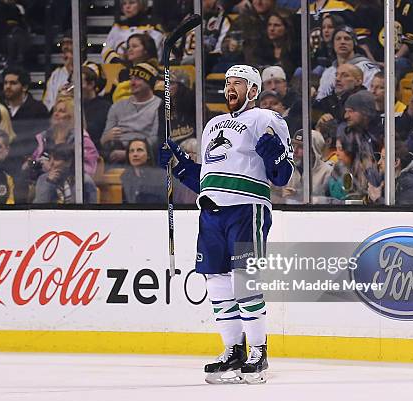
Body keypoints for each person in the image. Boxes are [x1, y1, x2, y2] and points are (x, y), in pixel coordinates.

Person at [159, 64, 294, 384]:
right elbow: (207, 179)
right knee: (216, 282)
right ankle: (233, 349)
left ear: (253, 90)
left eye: (238, 82)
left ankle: (258, 351)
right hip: (211, 212)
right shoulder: (214, 124)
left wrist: (274, 157)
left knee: (245, 280)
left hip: (247, 209)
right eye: (228, 82)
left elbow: (283, 176)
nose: (230, 87)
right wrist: (178, 164)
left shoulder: (267, 119)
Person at [101, 62, 161, 165]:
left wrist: (129, 153)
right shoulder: (117, 106)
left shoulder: (160, 106)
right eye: (131, 78)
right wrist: (106, 138)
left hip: (145, 155)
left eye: (138, 79)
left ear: (149, 83)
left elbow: (155, 139)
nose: (132, 83)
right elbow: (104, 140)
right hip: (116, 152)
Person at [316, 26, 380, 101]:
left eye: (347, 39)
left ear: (354, 43)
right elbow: (320, 99)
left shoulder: (368, 68)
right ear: (333, 44)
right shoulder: (328, 72)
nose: (342, 42)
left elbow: (371, 97)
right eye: (338, 39)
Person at [120, 138, 165, 204]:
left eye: (139, 150)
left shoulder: (160, 177)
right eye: (131, 151)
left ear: (148, 155)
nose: (135, 154)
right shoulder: (124, 177)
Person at [42, 30, 73, 111]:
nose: (65, 46)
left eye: (69, 43)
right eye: (64, 44)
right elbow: (47, 101)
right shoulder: (55, 74)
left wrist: (70, 68)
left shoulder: (89, 68)